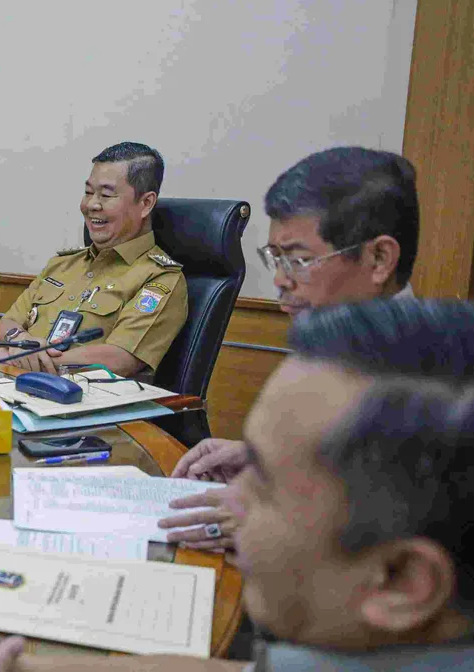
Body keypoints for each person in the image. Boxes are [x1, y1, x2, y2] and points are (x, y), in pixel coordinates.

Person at [0, 299, 474, 672]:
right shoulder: (406, 646)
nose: (228, 496)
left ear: (402, 580)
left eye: (263, 481)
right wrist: (5, 671)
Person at [160, 146, 421, 550]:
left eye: (298, 261)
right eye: (275, 258)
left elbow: (408, 532)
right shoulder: (332, 343)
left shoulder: (431, 383)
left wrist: (270, 522)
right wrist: (262, 460)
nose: (280, 281)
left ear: (379, 258)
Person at [0, 142, 187, 379]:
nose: (91, 205)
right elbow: (7, 323)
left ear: (146, 204)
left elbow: (120, 359)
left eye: (107, 195)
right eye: (89, 192)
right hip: (15, 383)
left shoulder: (160, 278)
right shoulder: (63, 264)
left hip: (85, 402)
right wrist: (21, 342)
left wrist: (20, 360)